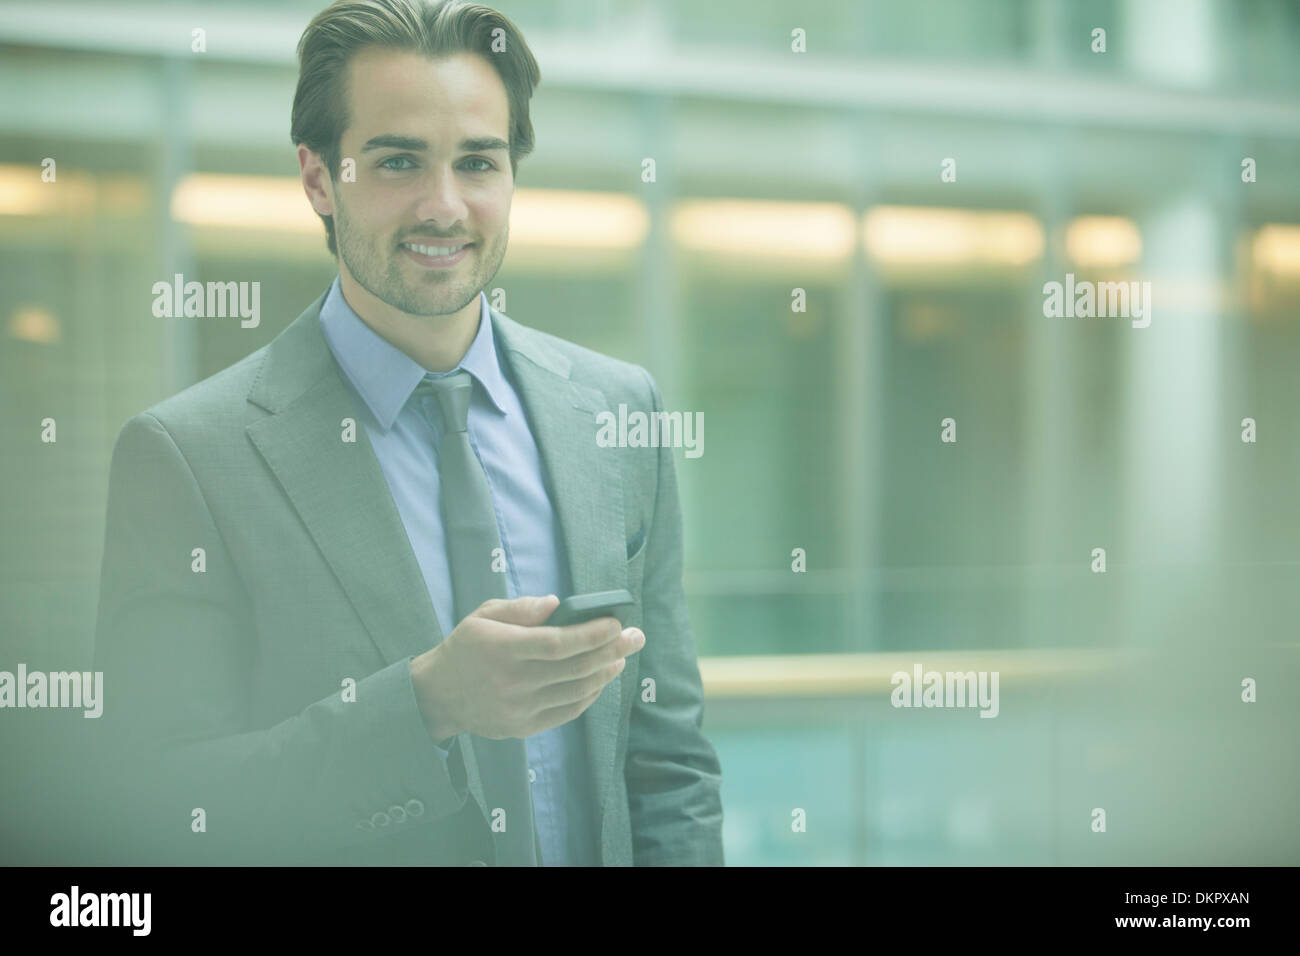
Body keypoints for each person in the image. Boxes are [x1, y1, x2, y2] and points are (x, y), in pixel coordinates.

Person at [92, 0, 723, 866]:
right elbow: (153, 806)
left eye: (478, 162)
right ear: (318, 178)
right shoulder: (191, 456)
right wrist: (425, 705)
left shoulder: (618, 413)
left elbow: (667, 762)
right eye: (397, 162)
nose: (445, 206)